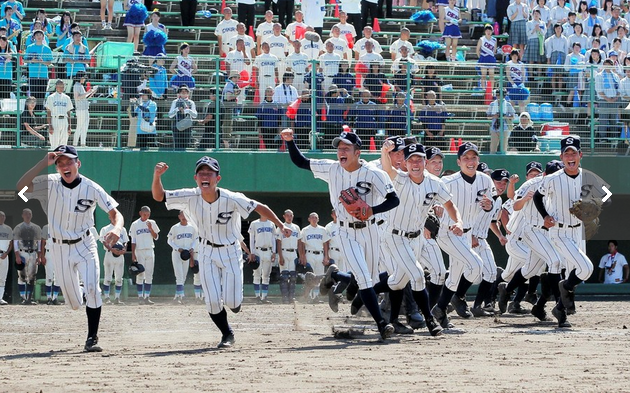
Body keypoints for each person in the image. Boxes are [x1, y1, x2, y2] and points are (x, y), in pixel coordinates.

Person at [151, 156, 292, 348]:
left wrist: (281, 225)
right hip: (206, 251)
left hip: (230, 251)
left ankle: (235, 304)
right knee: (212, 301)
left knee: (233, 303)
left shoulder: (231, 198)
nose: (205, 176)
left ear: (218, 178)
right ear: (195, 178)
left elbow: (260, 207)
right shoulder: (189, 195)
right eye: (201, 173)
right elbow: (160, 196)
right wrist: (157, 176)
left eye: (210, 173)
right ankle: (227, 334)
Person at [281, 128, 400, 341]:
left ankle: (335, 278)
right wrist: (290, 141)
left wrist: (372, 210)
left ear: (357, 152)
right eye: (339, 148)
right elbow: (301, 162)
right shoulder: (332, 168)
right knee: (363, 278)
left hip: (370, 230)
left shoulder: (374, 173)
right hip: (345, 230)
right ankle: (382, 325)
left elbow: (394, 200)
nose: (341, 151)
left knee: (369, 281)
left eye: (346, 148)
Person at [17, 145, 124, 351]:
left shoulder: (91, 187)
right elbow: (20, 188)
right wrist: (43, 163)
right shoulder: (48, 184)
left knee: (94, 290)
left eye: (69, 161)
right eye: (60, 163)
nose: (65, 166)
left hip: (85, 244)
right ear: (56, 167)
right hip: (59, 248)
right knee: (74, 303)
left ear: (78, 163)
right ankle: (82, 291)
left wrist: (117, 229)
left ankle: (92, 338)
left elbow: (115, 214)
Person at [534, 136, 595, 327]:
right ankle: (564, 288)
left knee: (574, 273)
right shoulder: (552, 179)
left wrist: (593, 204)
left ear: (580, 155)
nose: (570, 156)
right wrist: (545, 215)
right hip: (559, 232)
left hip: (578, 231)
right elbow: (537, 196)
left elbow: (606, 193)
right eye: (566, 153)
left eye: (574, 153)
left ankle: (560, 310)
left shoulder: (588, 176)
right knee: (586, 268)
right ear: (561, 157)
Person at [431, 142, 491, 328]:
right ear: (458, 162)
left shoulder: (485, 180)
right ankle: (458, 297)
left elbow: (485, 207)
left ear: (478, 160)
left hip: (467, 232)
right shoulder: (447, 182)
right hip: (447, 232)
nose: (470, 161)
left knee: (454, 277)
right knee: (476, 265)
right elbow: (430, 201)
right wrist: (436, 207)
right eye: (466, 158)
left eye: (473, 157)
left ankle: (440, 310)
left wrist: (488, 207)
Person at [129, 206, 160, 305]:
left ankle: (147, 297)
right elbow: (133, 240)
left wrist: (151, 229)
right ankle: (140, 297)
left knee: (149, 274)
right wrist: (133, 254)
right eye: (144, 214)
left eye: (148, 214)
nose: (146, 216)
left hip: (150, 249)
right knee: (140, 274)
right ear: (140, 213)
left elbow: (156, 237)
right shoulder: (135, 224)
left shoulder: (152, 222)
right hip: (139, 250)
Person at [167, 211, 198, 304]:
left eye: (185, 215)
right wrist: (177, 248)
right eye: (182, 215)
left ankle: (177, 296)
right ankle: (182, 296)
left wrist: (192, 248)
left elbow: (196, 239)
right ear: (179, 216)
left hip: (187, 254)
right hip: (177, 253)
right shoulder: (175, 227)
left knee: (183, 276)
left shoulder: (192, 227)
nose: (184, 217)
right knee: (179, 275)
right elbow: (169, 240)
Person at [12, 208, 41, 305]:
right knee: (22, 275)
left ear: (31, 215)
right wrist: (17, 255)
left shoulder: (36, 228)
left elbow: (39, 242)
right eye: (26, 214)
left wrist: (39, 255)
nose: (28, 216)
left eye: (29, 214)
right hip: (22, 252)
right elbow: (15, 242)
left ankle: (29, 298)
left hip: (33, 252)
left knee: (32, 276)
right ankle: (22, 297)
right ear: (22, 215)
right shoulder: (18, 227)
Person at [99, 218, 128, 305]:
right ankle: (107, 297)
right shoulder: (105, 229)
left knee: (119, 278)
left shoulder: (122, 229)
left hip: (120, 255)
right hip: (109, 254)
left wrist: (125, 249)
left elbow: (125, 241)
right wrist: (111, 249)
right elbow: (103, 241)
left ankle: (117, 298)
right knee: (108, 277)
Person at [248, 216, 277, 304]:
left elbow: (273, 239)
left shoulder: (271, 223)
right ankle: (257, 296)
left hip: (268, 250)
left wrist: (274, 252)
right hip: (258, 251)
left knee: (266, 275)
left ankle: (264, 297)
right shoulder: (254, 223)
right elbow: (251, 239)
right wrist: (252, 252)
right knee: (256, 274)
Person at [276, 209, 301, 303]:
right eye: (287, 215)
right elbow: (278, 242)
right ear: (284, 216)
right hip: (284, 252)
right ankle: (285, 297)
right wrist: (280, 256)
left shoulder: (296, 228)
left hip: (293, 253)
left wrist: (301, 255)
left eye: (291, 215)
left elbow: (299, 242)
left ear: (293, 216)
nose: (289, 217)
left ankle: (291, 297)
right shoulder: (281, 227)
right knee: (284, 276)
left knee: (293, 277)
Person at [24, 29, 52, 110]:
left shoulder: (47, 48)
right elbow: (25, 59)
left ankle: (40, 113)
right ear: (34, 37)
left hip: (43, 75)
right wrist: (32, 60)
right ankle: (34, 113)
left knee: (42, 95)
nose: (39, 36)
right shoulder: (30, 47)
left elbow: (49, 62)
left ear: (43, 37)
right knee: (33, 96)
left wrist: (42, 62)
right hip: (33, 75)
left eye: (40, 35)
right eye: (37, 35)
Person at [595, 58, 621, 141]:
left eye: (610, 64)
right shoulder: (599, 75)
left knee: (614, 120)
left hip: (614, 100)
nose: (608, 66)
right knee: (603, 119)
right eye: (606, 64)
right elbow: (599, 90)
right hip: (603, 100)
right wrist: (607, 99)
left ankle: (614, 138)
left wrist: (615, 98)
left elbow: (619, 89)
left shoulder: (616, 76)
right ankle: (602, 138)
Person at [45, 79, 74, 148]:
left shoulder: (67, 98)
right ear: (56, 86)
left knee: (63, 144)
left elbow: (68, 112)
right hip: (55, 119)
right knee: (54, 144)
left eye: (63, 86)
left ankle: (61, 158)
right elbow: (49, 112)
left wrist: (69, 126)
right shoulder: (51, 97)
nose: (62, 88)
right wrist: (50, 126)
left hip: (64, 120)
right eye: (60, 86)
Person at [73, 71, 98, 147]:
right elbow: (77, 97)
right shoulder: (76, 85)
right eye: (84, 77)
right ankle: (75, 144)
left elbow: (83, 97)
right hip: (80, 109)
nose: (84, 79)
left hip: (84, 108)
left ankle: (83, 143)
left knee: (84, 127)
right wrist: (87, 93)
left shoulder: (80, 86)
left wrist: (91, 93)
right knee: (79, 127)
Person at [168, 85, 197, 150]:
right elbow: (170, 115)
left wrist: (188, 111)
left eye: (185, 91)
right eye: (182, 91)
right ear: (179, 93)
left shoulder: (191, 102)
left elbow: (195, 115)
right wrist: (177, 109)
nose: (184, 92)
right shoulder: (175, 102)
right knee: (177, 145)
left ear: (188, 93)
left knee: (186, 145)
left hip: (187, 127)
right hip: (177, 126)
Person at [545, 24, 569, 92]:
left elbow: (566, 50)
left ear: (561, 29)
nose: (558, 30)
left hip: (562, 56)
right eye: (556, 28)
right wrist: (548, 60)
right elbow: (549, 49)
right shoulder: (551, 38)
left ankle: (559, 90)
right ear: (554, 29)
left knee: (560, 75)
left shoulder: (564, 38)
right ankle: (554, 90)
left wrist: (566, 60)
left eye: (559, 28)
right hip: (554, 55)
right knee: (554, 74)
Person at [477, 25, 498, 92]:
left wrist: (491, 55)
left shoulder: (494, 40)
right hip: (483, 58)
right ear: (485, 31)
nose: (488, 32)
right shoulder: (482, 39)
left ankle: (491, 90)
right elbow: (477, 50)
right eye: (487, 31)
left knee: (491, 76)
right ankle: (483, 89)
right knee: (483, 75)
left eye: (490, 31)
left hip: (491, 59)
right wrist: (480, 57)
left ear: (492, 31)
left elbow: (494, 50)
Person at [525, 11, 546, 75]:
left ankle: (539, 76)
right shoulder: (529, 23)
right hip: (532, 41)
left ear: (540, 15)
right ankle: (531, 76)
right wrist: (534, 29)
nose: (536, 15)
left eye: (537, 14)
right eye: (535, 14)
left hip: (540, 41)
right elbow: (528, 34)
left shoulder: (543, 23)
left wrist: (539, 29)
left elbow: (544, 32)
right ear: (532, 15)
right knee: (531, 60)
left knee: (539, 60)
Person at [0, 211, 12, 305]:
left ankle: (0, 298)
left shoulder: (8, 229)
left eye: (3, 216)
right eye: (1, 216)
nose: (2, 217)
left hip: (4, 255)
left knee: (3, 277)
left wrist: (7, 253)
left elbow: (11, 244)